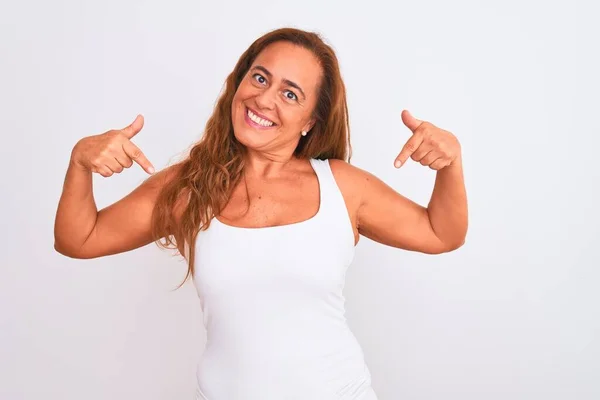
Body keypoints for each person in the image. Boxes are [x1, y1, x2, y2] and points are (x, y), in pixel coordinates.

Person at [54, 27, 468, 400]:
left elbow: (440, 233)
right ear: (238, 82)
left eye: (290, 94)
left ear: (310, 121)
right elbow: (79, 239)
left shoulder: (343, 186)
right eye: (259, 77)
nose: (264, 99)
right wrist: (79, 164)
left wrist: (451, 164)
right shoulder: (185, 188)